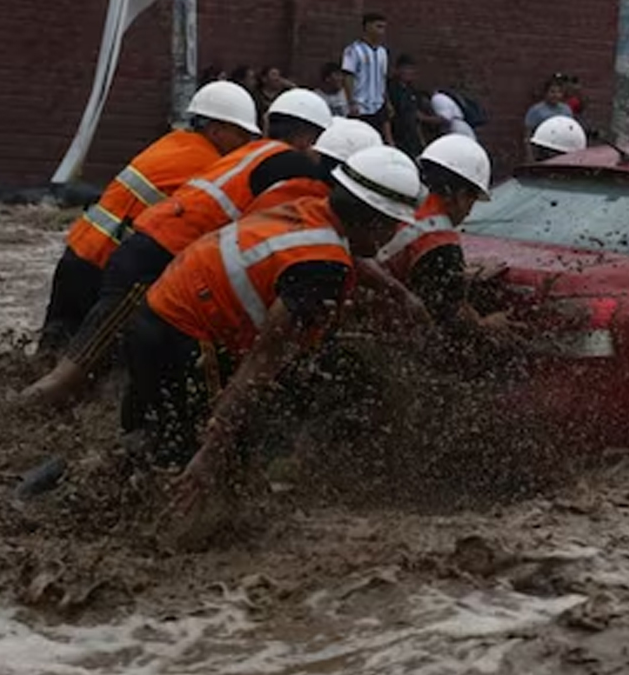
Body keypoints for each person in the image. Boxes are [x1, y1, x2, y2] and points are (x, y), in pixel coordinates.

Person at [19, 92, 353, 408]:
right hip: (152, 261)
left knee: (96, 361)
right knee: (73, 374)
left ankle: (28, 401)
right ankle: (13, 414)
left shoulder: (254, 153)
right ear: (308, 139)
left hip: (139, 249)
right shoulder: (295, 169)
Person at [126, 146, 423, 483]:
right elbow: (263, 359)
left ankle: (91, 488)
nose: (394, 235)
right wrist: (213, 448)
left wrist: (395, 291)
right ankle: (167, 525)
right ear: (374, 221)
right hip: (184, 338)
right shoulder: (323, 269)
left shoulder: (311, 210)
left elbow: (342, 252)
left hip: (159, 312)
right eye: (395, 225)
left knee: (154, 441)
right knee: (199, 461)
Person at [38, 80, 263, 355]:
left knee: (52, 348)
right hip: (107, 267)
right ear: (216, 129)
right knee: (89, 361)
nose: (245, 144)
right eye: (241, 134)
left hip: (77, 254)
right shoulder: (208, 165)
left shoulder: (171, 143)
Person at [376, 135, 493, 329]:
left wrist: (460, 273)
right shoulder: (441, 242)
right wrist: (488, 324)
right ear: (460, 196)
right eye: (473, 200)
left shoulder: (400, 204)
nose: (469, 210)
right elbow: (449, 316)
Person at [342, 12, 392, 142]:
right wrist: (351, 102)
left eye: (383, 28)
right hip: (360, 106)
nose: (382, 32)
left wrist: (387, 102)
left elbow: (383, 78)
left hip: (378, 105)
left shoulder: (383, 52)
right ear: (367, 27)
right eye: (378, 27)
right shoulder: (353, 50)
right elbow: (348, 76)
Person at [386, 54, 429, 158]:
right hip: (397, 137)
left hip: (412, 140)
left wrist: (422, 141)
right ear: (398, 69)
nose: (409, 72)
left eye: (411, 69)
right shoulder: (390, 89)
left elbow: (416, 118)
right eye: (406, 68)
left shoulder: (412, 91)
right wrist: (390, 141)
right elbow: (386, 116)